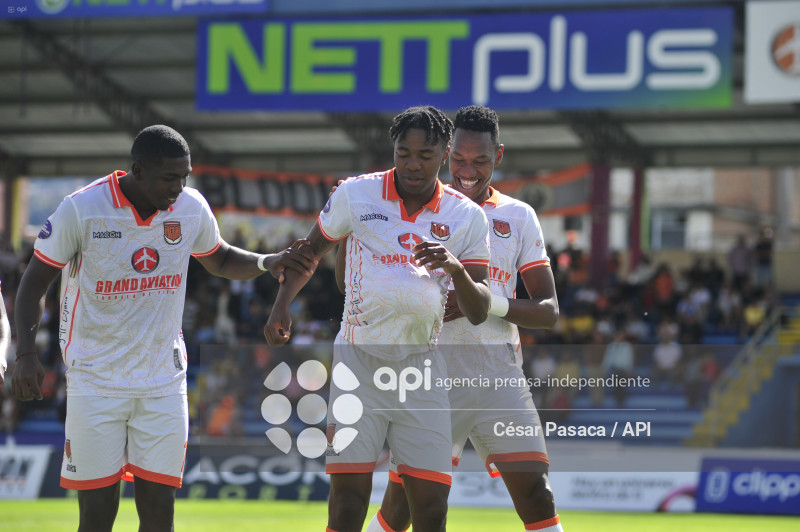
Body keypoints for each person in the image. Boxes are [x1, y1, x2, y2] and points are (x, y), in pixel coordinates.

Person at [10, 125, 315, 532]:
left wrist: (266, 261)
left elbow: (220, 259)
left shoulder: (190, 207)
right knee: (97, 516)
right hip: (95, 379)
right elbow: (34, 283)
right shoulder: (82, 208)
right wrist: (27, 354)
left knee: (159, 512)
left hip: (163, 382)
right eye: (170, 177)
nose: (179, 186)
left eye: (185, 176)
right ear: (137, 170)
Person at [264, 106, 492, 532]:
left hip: (422, 367)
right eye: (402, 152)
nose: (411, 163)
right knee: (347, 502)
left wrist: (456, 269)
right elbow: (310, 252)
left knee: (430, 505)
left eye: (424, 154)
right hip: (358, 363)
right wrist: (281, 305)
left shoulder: (467, 217)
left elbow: (479, 310)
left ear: (444, 154)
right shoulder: (356, 194)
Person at [356, 105, 564, 532]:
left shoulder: (519, 216)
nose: (468, 172)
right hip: (434, 380)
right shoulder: (418, 208)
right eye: (460, 160)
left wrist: (488, 302)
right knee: (405, 509)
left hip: (499, 378)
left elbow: (549, 312)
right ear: (448, 154)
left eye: (481, 161)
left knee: (538, 495)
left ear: (499, 156)